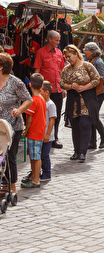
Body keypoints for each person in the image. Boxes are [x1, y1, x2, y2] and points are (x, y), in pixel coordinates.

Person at [60, 45, 102, 163]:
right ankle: (76, 150)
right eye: (66, 57)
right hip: (73, 101)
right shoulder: (66, 69)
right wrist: (71, 86)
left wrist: (84, 87)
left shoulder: (87, 66)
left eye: (69, 56)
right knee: (76, 126)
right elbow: (62, 83)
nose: (68, 59)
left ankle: (83, 151)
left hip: (87, 100)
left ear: (76, 54)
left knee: (85, 124)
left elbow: (96, 79)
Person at [0, 53, 32, 194]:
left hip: (12, 125)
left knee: (9, 155)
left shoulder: (15, 82)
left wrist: (19, 110)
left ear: (1, 67)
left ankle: (11, 185)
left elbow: (28, 99)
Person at [33, 30, 65, 149]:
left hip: (57, 89)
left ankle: (54, 138)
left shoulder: (59, 53)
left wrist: (63, 87)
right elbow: (37, 71)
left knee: (55, 115)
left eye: (58, 40)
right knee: (43, 115)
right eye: (56, 40)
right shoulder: (41, 52)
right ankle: (42, 137)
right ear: (49, 39)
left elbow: (61, 70)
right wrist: (36, 90)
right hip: (45, 90)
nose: (58, 42)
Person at [21, 73, 46, 188]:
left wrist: (26, 130)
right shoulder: (41, 99)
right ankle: (33, 176)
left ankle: (36, 179)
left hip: (34, 132)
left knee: (35, 157)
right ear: (41, 87)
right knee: (34, 156)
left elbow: (29, 119)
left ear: (30, 85)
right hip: (39, 131)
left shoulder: (33, 100)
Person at [84, 42, 104, 150]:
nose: (84, 52)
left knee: (93, 116)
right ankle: (92, 141)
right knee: (92, 116)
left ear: (91, 51)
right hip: (93, 93)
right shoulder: (91, 61)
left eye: (86, 50)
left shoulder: (98, 62)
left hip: (98, 93)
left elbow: (101, 79)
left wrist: (96, 91)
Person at [39, 81, 56, 182]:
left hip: (47, 135)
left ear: (46, 92)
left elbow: (52, 120)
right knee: (41, 155)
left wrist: (48, 134)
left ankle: (47, 173)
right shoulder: (42, 102)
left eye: (40, 91)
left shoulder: (50, 104)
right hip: (41, 133)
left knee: (45, 155)